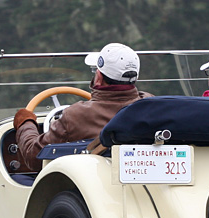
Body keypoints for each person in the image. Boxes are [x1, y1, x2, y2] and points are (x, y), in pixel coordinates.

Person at [13, 43, 148, 171]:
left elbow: (34, 157)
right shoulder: (150, 104)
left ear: (99, 77)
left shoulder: (75, 115)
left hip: (95, 182)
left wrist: (25, 123)